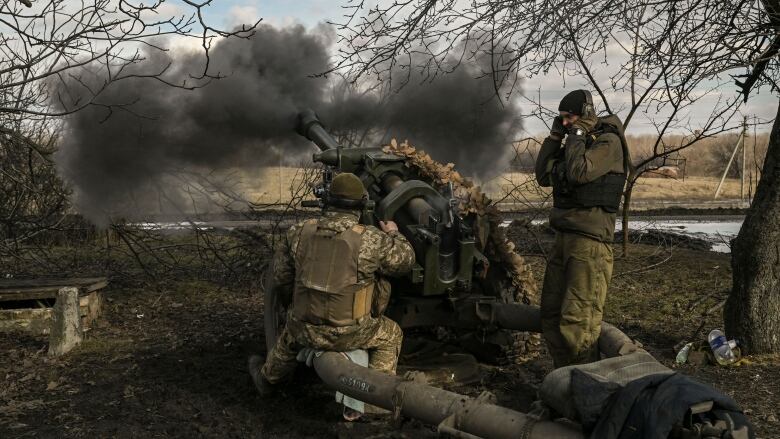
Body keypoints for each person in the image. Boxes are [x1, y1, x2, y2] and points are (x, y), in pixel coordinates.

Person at [248, 172, 415, 416]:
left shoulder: (299, 232)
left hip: (305, 327)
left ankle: (267, 379)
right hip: (351, 334)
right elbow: (406, 260)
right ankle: (373, 401)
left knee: (291, 334)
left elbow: (282, 277)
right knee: (391, 334)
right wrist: (393, 232)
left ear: (327, 202)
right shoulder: (371, 239)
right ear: (360, 205)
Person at [534, 89, 629, 368]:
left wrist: (575, 136)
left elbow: (578, 173)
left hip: (590, 244)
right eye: (562, 119)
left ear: (587, 115)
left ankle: (583, 386)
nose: (565, 124)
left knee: (579, 320)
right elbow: (542, 175)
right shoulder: (576, 143)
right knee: (551, 315)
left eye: (570, 117)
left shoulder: (607, 142)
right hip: (564, 237)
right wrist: (554, 139)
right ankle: (562, 381)